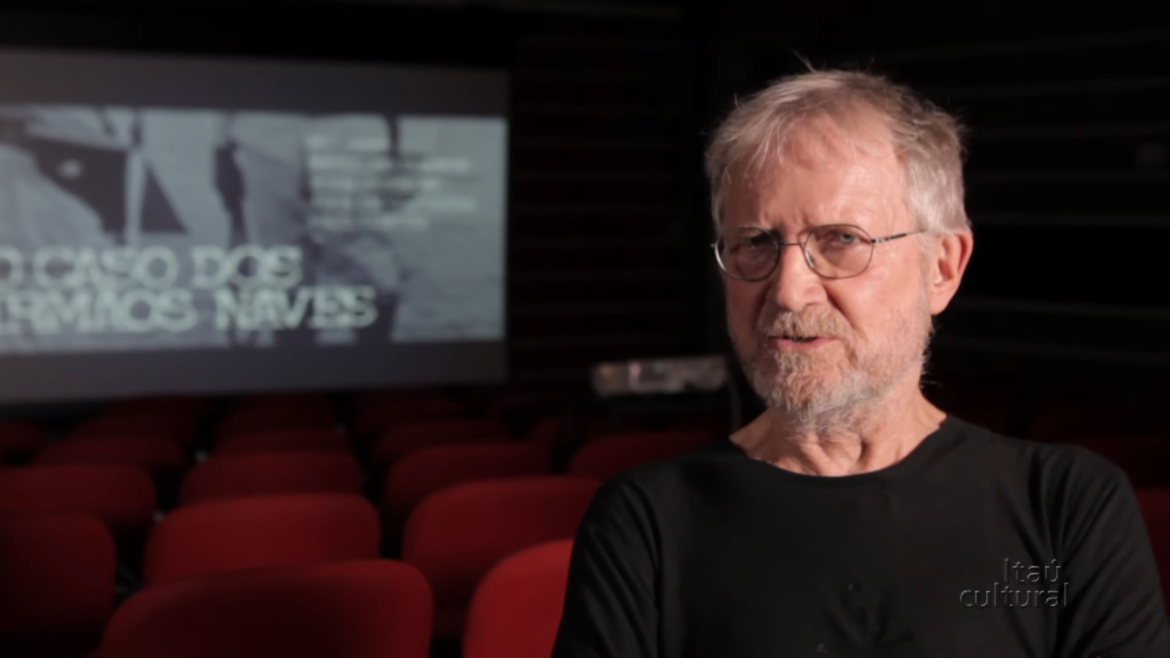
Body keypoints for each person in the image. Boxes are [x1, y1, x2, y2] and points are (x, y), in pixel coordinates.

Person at [551, 69, 1170, 657]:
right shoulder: (648, 521)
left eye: (842, 239)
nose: (788, 291)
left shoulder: (1066, 507)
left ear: (942, 268)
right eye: (755, 242)